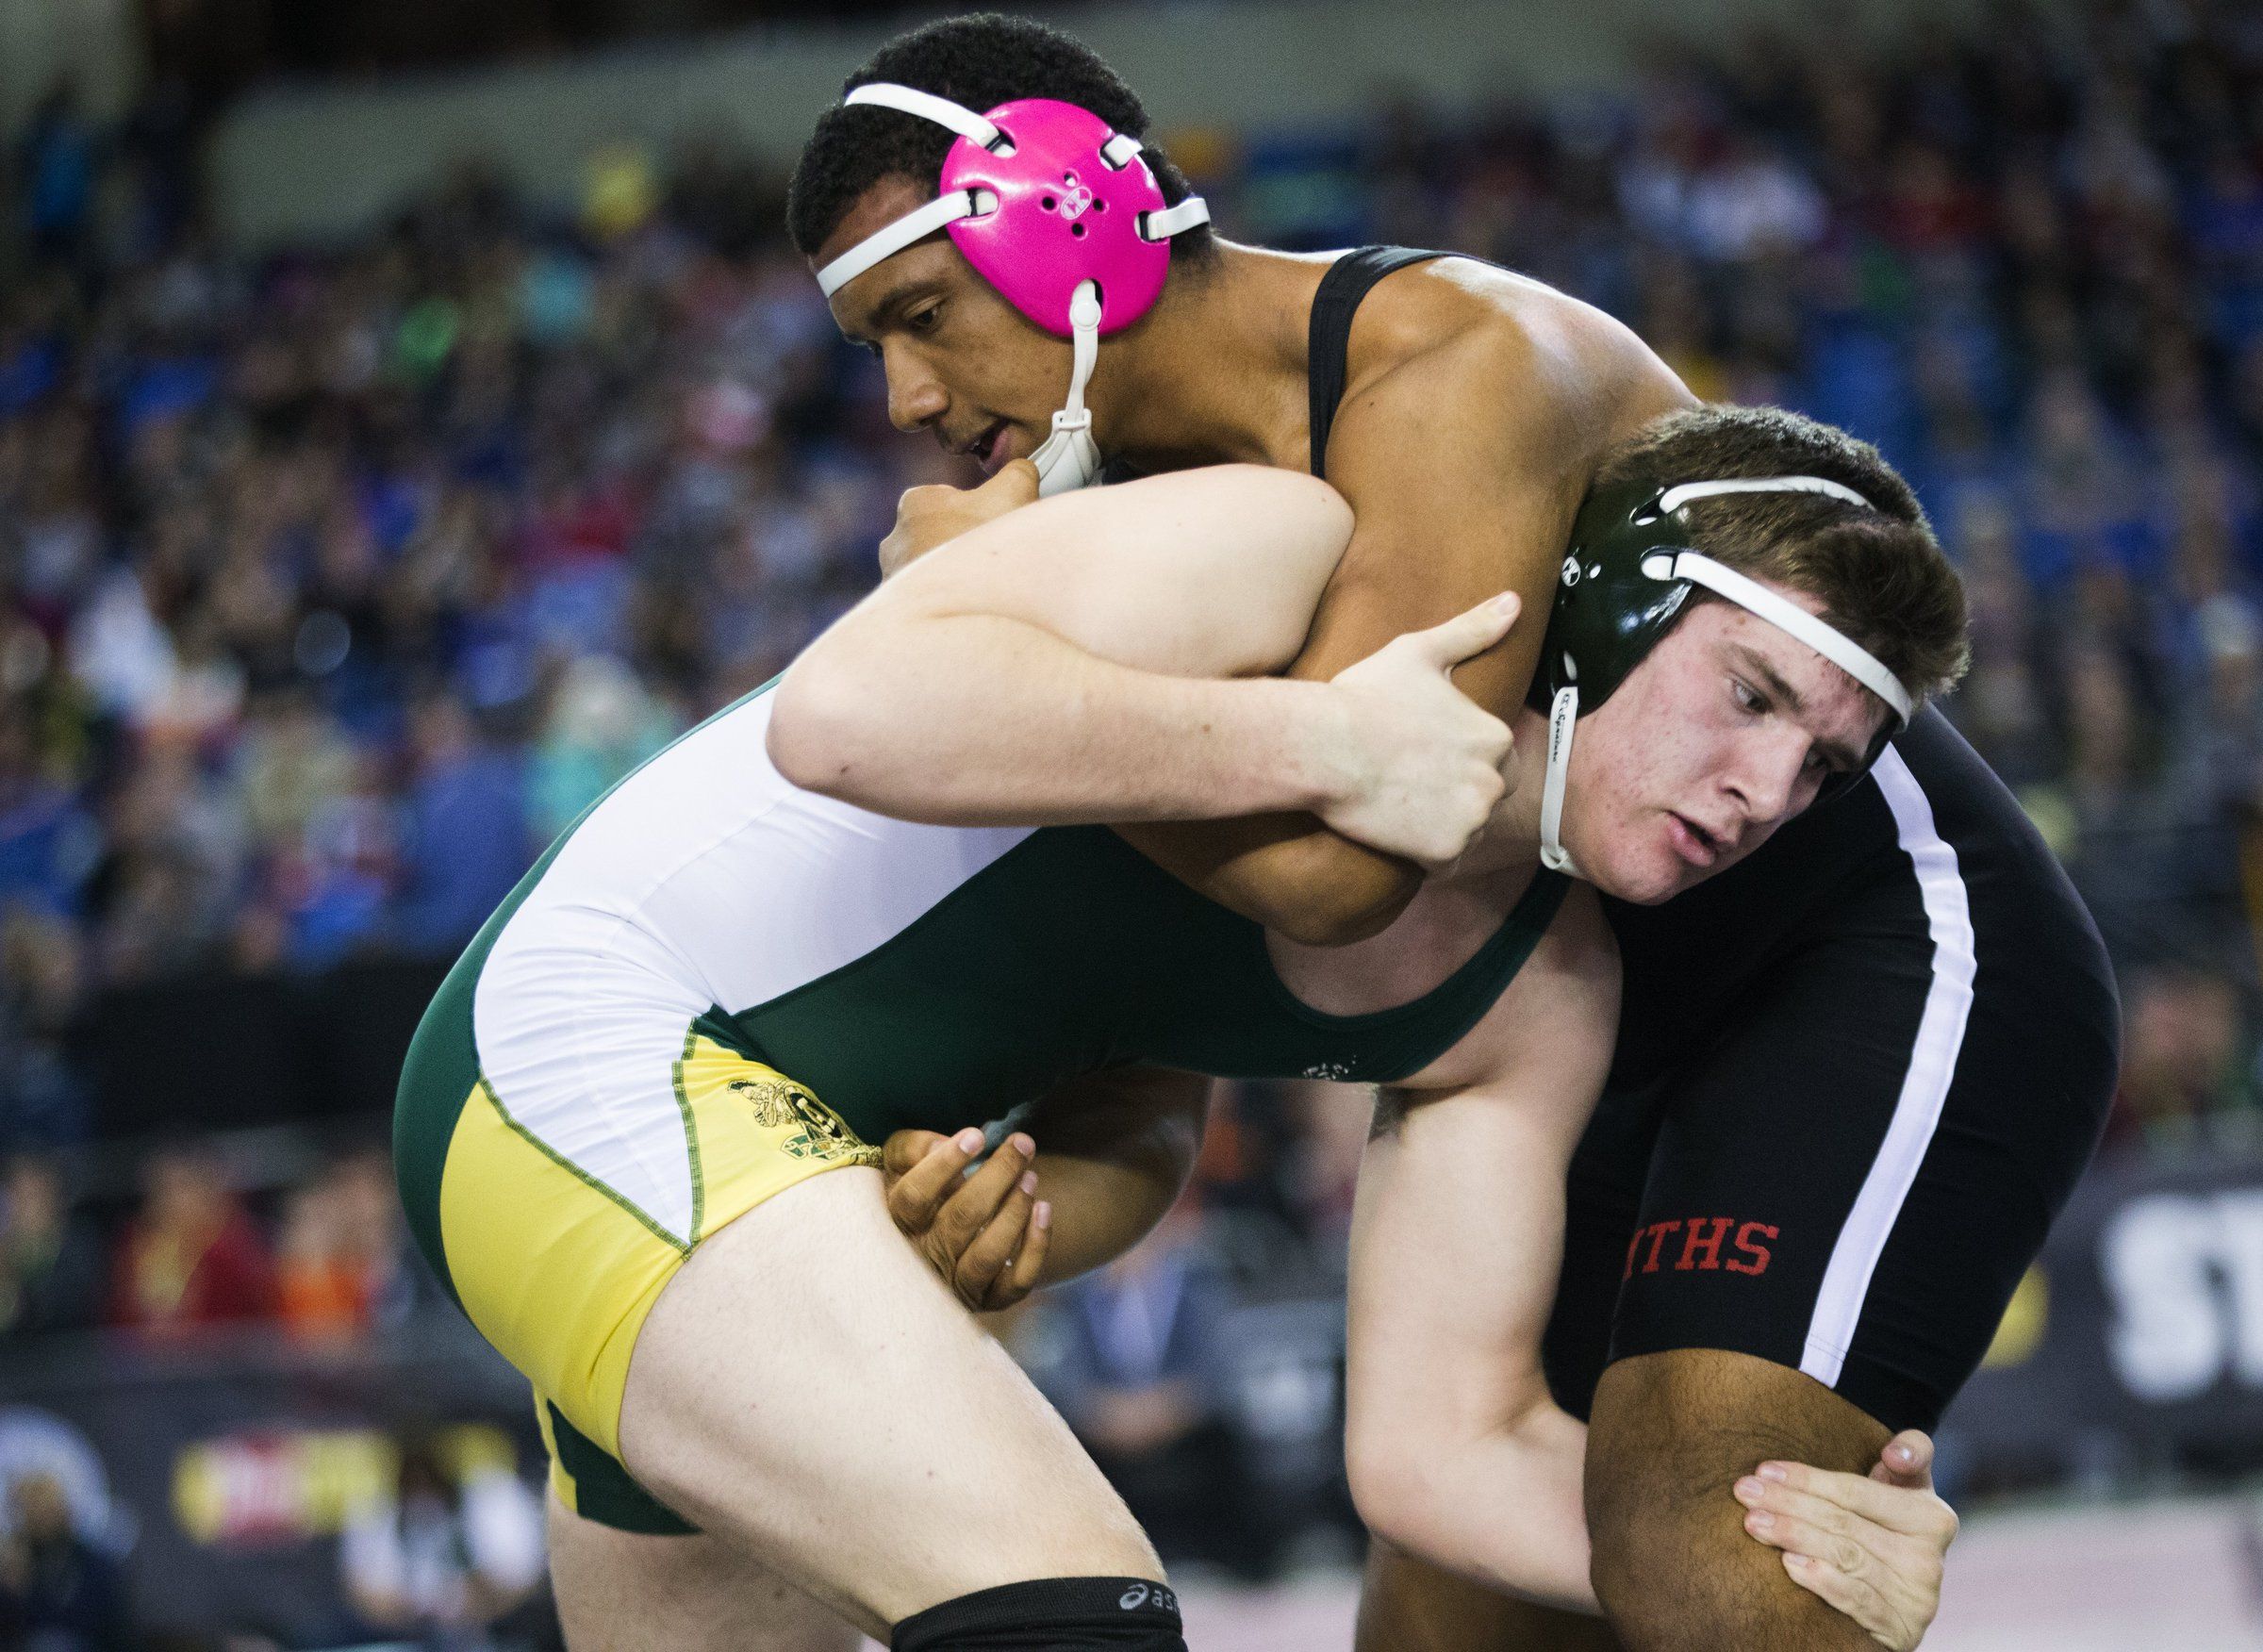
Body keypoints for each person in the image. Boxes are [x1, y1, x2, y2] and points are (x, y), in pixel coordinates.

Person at [786, 16, 2116, 1648]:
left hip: (1865, 959)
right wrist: (1029, 1204)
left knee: (1708, 1539)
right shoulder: (1116, 506)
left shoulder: (1456, 366)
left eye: (917, 315)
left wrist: (998, 687)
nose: (909, 396)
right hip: (1572, 1009)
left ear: (1063, 208)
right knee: (1438, 1619)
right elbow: (1156, 1049)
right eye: (872, 351)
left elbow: (1344, 873)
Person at [397, 435, 1963, 1652]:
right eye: (1750, 694)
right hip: (597, 1050)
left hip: (745, 1215)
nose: (1764, 789)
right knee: (1075, 1615)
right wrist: (1320, 740)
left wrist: (1773, 1554)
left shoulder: (1536, 996)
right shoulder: (1296, 552)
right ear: (1617, 601)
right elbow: (844, 711)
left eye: (1824, 769)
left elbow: (1442, 1453)